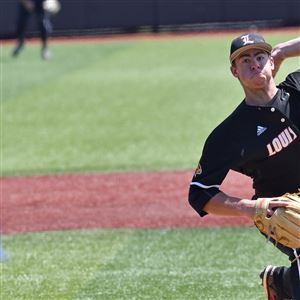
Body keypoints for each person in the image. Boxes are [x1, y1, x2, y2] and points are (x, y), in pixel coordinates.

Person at [188, 33, 300, 299]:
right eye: (245, 59)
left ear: (271, 62)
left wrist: (283, 50)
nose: (254, 63)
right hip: (283, 210)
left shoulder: (296, 87)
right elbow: (200, 193)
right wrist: (252, 208)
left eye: (260, 56)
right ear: (234, 71)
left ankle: (282, 282)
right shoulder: (230, 134)